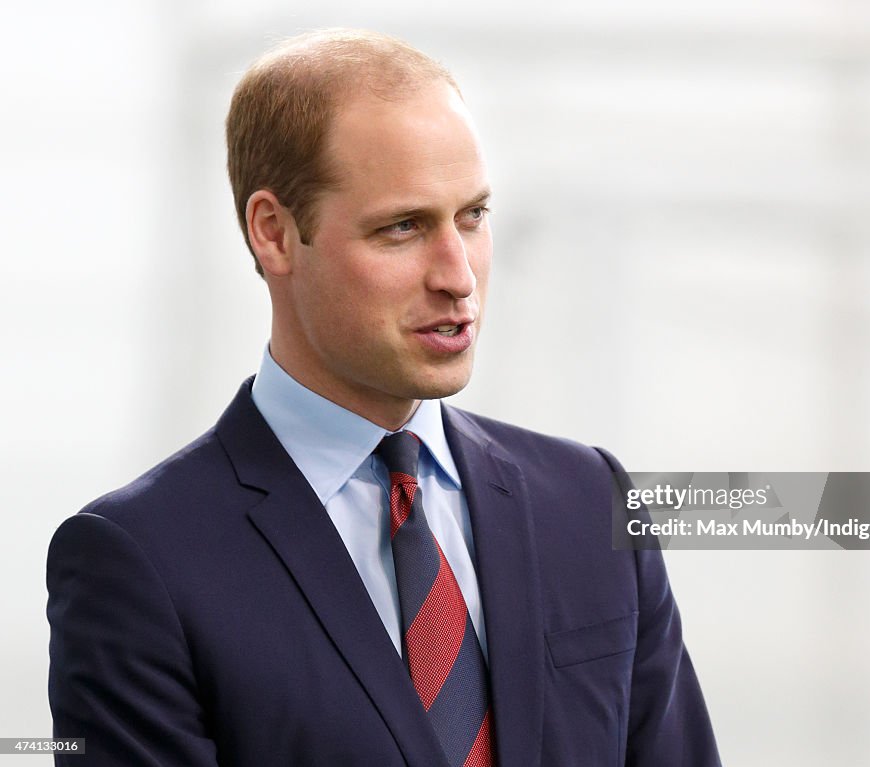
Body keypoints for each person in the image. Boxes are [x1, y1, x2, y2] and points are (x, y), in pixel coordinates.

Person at [46, 28, 721, 766]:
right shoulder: (142, 561)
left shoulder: (590, 502)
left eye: (473, 216)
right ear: (273, 233)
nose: (458, 275)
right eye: (404, 227)